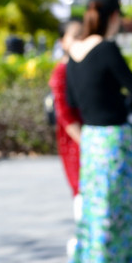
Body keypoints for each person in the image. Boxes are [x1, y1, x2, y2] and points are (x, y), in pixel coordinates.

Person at [66, 0, 132, 263]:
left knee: (97, 211)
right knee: (115, 211)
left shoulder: (73, 53)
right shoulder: (106, 48)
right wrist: (126, 109)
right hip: (114, 138)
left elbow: (74, 101)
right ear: (113, 16)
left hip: (91, 140)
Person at [48, 21, 83, 220]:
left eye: (83, 35)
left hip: (87, 139)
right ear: (63, 42)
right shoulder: (62, 71)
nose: (81, 40)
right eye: (75, 35)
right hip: (75, 143)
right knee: (81, 194)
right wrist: (86, 143)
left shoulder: (82, 67)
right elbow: (64, 114)